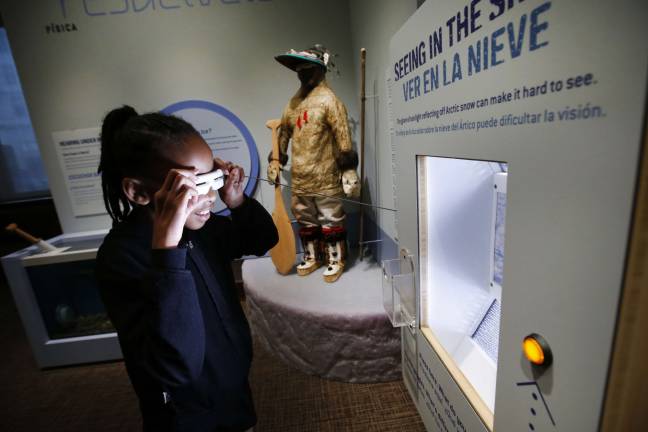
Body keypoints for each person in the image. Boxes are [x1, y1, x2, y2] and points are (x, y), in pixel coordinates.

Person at [95, 105, 278, 432]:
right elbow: (174, 365)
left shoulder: (202, 229)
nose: (210, 196)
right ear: (137, 191)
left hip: (232, 389)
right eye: (194, 183)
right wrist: (167, 249)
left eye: (213, 177)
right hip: (185, 413)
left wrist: (236, 200)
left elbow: (262, 239)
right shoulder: (122, 257)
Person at [268, 45, 360, 283]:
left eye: (308, 69)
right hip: (301, 177)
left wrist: (348, 169)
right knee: (306, 218)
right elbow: (284, 133)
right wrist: (276, 159)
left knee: (331, 218)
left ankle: (336, 259)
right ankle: (313, 256)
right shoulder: (293, 103)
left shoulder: (330, 100)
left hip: (326, 175)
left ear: (319, 70)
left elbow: (343, 135)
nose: (303, 74)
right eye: (299, 70)